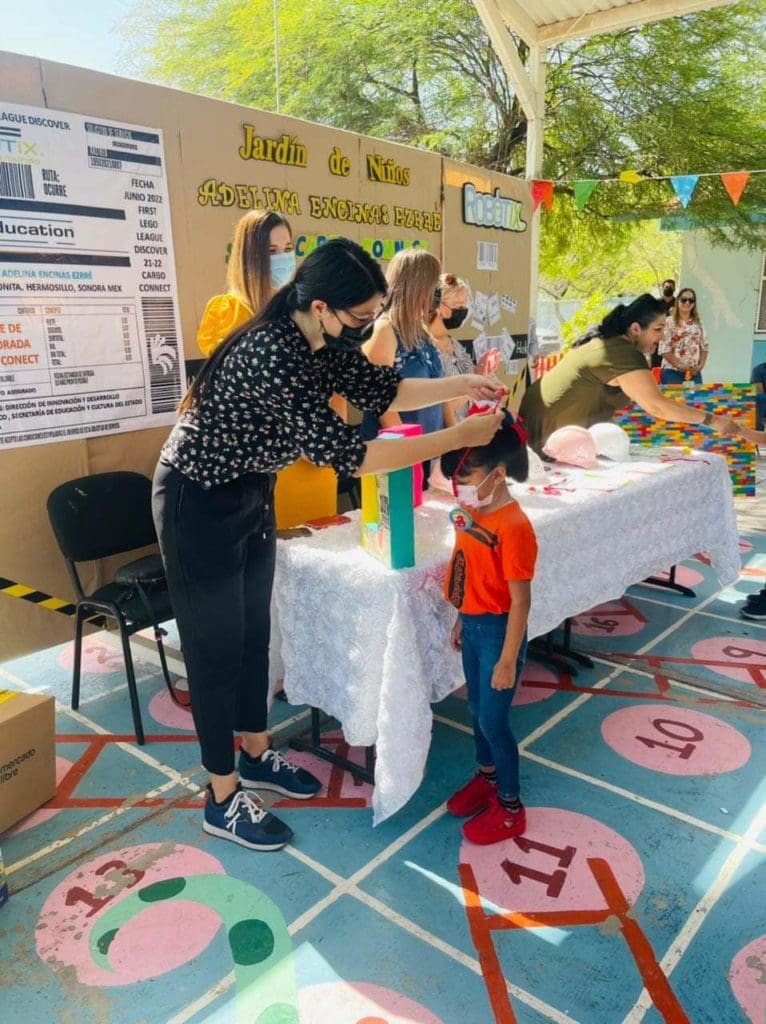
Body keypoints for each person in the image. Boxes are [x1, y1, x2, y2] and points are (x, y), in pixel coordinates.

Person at [152, 238, 505, 853]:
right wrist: (459, 437)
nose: (367, 327)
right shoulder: (272, 352)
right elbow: (348, 455)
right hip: (197, 500)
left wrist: (463, 382)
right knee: (215, 652)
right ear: (321, 306)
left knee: (254, 639)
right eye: (361, 316)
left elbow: (385, 391)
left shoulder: (324, 341)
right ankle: (221, 795)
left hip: (250, 493)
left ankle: (256, 753)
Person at [440, 413, 536, 845]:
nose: (458, 490)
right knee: (477, 713)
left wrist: (508, 659)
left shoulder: (513, 527)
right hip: (475, 628)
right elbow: (469, 569)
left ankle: (511, 808)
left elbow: (521, 601)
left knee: (494, 722)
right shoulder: (469, 512)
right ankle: (487, 777)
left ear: (497, 475)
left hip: (500, 634)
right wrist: (462, 615)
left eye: (466, 480)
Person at [519, 294, 736, 455]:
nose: (662, 337)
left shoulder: (607, 344)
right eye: (658, 329)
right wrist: (713, 420)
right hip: (542, 450)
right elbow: (657, 406)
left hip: (542, 442)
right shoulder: (622, 353)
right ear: (635, 329)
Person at [361, 249, 451, 461]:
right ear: (417, 287)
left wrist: (454, 443)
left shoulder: (422, 331)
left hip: (429, 452)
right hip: (400, 457)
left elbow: (441, 393)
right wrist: (412, 455)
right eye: (433, 285)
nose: (436, 294)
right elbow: (381, 404)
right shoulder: (384, 330)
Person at [196, 210, 295, 357]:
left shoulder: (296, 305)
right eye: (272, 251)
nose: (284, 257)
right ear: (250, 257)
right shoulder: (230, 311)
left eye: (288, 248)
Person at [429, 272, 498, 420]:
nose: (463, 311)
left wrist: (482, 371)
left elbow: (475, 378)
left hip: (466, 427)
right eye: (457, 305)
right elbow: (437, 409)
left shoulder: (455, 345)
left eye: (465, 305)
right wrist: (473, 386)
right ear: (439, 306)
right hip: (445, 430)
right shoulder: (428, 350)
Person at [658, 287, 708, 385]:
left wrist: (701, 365)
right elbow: (664, 349)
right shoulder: (668, 322)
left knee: (696, 395)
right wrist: (679, 366)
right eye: (684, 300)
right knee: (674, 396)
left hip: (694, 372)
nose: (687, 303)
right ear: (678, 301)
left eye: (691, 300)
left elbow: (705, 346)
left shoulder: (698, 322)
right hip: (672, 372)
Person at [750, 362, 766, 430]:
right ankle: (758, 432)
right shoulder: (759, 370)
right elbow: (758, 392)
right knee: (759, 397)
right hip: (763, 403)